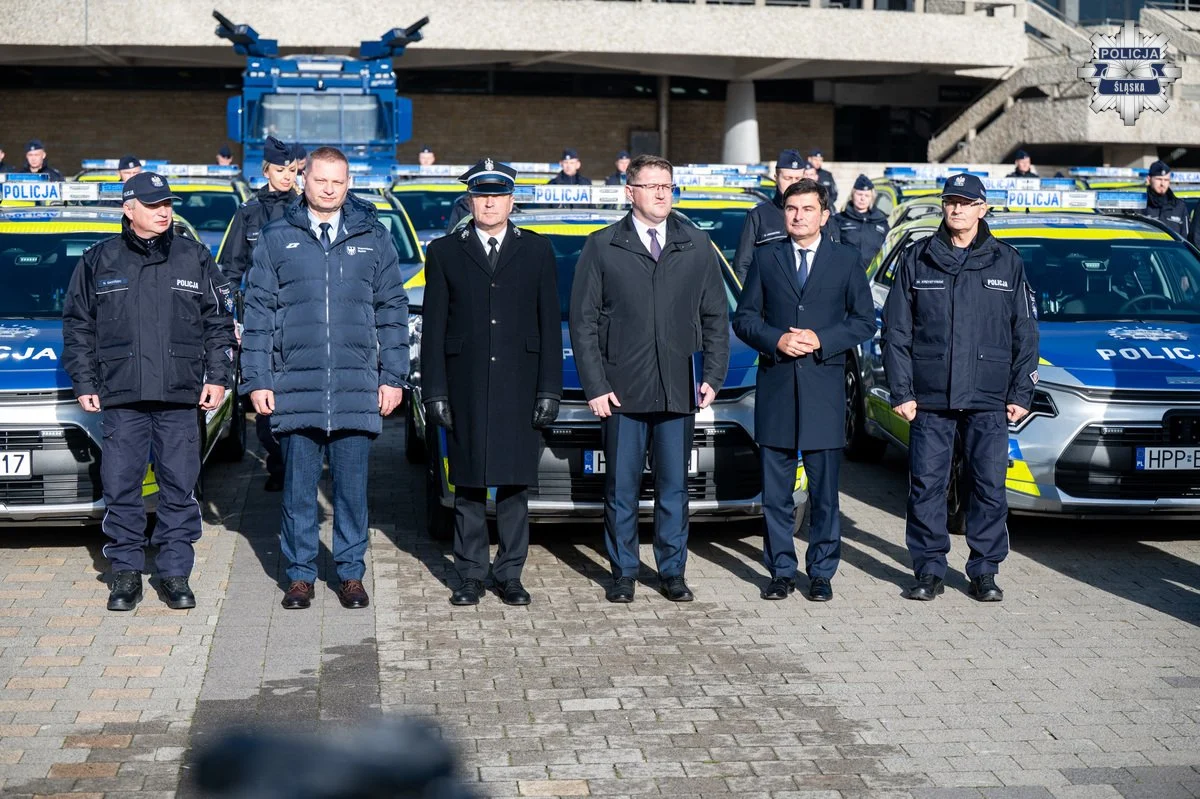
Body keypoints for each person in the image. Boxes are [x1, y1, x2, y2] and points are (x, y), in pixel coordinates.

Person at [240, 146, 410, 611]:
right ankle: (300, 575)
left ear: (348, 183)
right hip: (296, 386)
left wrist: (393, 376)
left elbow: (392, 310)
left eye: (338, 181)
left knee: (351, 493)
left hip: (356, 387)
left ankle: (350, 573)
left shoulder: (373, 236)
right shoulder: (277, 236)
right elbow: (258, 312)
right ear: (304, 181)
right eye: (321, 180)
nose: (330, 189)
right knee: (298, 492)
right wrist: (257, 378)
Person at [61, 172, 236, 612]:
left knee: (179, 487)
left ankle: (175, 573)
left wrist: (217, 377)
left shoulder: (194, 256)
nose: (164, 212)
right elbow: (79, 327)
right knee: (122, 486)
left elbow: (219, 323)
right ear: (129, 208)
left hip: (180, 395)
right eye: (154, 205)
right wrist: (84, 381)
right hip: (123, 395)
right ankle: (125, 572)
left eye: (167, 204)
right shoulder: (100, 259)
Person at [569, 154, 730, 604]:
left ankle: (672, 572)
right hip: (622, 391)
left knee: (674, 488)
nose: (662, 194)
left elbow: (716, 317)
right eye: (652, 185)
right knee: (621, 489)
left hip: (679, 387)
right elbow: (583, 322)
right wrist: (596, 385)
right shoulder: (603, 246)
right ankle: (623, 572)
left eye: (667, 186)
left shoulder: (696, 244)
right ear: (630, 192)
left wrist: (713, 374)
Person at [881, 172, 1039, 603]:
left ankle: (984, 571)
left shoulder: (1007, 261)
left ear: (982, 209)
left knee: (988, 486)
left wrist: (1020, 393)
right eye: (951, 201)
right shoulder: (917, 258)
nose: (957, 209)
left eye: (967, 203)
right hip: (931, 397)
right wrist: (901, 391)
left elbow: (1025, 333)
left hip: (989, 398)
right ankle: (929, 569)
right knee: (926, 486)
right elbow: (896, 331)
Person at [422, 159, 562, 607]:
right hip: (465, 385)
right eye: (481, 196)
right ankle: (470, 575)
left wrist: (550, 390)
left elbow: (548, 324)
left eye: (497, 196)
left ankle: (510, 574)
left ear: (511, 202)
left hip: (520, 385)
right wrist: (434, 391)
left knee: (515, 485)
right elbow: (434, 330)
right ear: (469, 201)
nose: (489, 204)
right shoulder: (444, 251)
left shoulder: (536, 250)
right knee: (468, 484)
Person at [732, 180, 874, 602]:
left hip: (823, 392)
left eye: (807, 209)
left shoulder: (845, 259)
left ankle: (822, 572)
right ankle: (780, 570)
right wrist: (776, 339)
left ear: (824, 215)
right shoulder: (766, 257)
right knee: (776, 494)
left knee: (824, 494)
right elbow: (745, 319)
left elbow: (864, 321)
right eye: (791, 209)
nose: (798, 216)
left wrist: (822, 339)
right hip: (777, 389)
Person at [218, 136, 298, 492]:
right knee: (265, 396)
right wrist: (231, 319)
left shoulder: (306, 209)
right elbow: (230, 270)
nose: (287, 176)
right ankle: (278, 463)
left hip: (300, 318)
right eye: (280, 170)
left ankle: (298, 465)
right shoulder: (248, 212)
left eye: (293, 170)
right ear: (266, 171)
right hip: (261, 321)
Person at [732, 149, 807, 284]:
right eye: (787, 178)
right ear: (776, 178)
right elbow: (742, 266)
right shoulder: (759, 215)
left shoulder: (817, 214)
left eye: (798, 179)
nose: (793, 184)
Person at [832, 175, 890, 269]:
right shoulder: (839, 219)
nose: (862, 199)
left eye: (867, 195)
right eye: (859, 194)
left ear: (872, 198)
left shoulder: (881, 222)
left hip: (873, 274)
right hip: (846, 272)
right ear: (852, 195)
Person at [1144, 160, 1189, 237]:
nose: (1162, 184)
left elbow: (1186, 238)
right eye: (1159, 179)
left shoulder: (1179, 206)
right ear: (1149, 179)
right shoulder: (1140, 205)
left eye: (1166, 180)